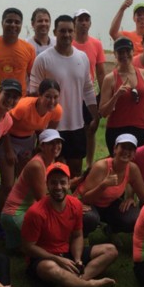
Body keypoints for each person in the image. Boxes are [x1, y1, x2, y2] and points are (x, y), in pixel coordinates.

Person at [21, 162, 118, 287]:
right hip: (44, 258)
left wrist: (77, 259)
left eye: (62, 182)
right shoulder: (36, 212)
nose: (58, 187)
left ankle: (71, 282)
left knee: (111, 250)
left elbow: (78, 235)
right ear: (47, 185)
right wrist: (57, 259)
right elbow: (28, 247)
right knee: (50, 269)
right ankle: (89, 283)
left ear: (68, 184)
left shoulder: (76, 204)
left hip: (67, 253)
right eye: (53, 183)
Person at [29, 15, 98, 177]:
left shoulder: (82, 57)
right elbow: (33, 95)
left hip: (76, 125)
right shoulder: (43, 59)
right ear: (55, 32)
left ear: (74, 32)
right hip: (51, 125)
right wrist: (38, 125)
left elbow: (88, 89)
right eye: (62, 31)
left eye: (69, 31)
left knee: (74, 171)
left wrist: (95, 115)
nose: (66, 35)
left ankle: (71, 202)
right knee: (53, 171)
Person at [0, 78, 62, 229]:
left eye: (55, 97)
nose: (52, 101)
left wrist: (39, 151)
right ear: (40, 95)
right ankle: (0, 221)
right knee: (7, 184)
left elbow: (48, 133)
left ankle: (25, 213)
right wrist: (8, 150)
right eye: (48, 97)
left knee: (25, 180)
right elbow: (5, 125)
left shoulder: (57, 111)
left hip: (28, 141)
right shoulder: (24, 107)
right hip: (9, 138)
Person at [1, 129, 63, 250]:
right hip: (15, 214)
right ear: (42, 146)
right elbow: (43, 199)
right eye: (52, 143)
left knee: (16, 249)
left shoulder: (50, 160)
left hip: (24, 211)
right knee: (52, 239)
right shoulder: (37, 165)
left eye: (58, 142)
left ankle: (16, 242)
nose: (56, 146)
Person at [77, 134, 144, 237]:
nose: (126, 151)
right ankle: (82, 237)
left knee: (134, 217)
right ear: (115, 149)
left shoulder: (133, 169)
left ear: (134, 154)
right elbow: (85, 198)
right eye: (123, 147)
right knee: (89, 218)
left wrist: (131, 199)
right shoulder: (101, 167)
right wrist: (103, 185)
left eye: (130, 149)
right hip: (89, 204)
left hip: (109, 205)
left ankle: (110, 230)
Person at [99, 37, 144, 153]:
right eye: (120, 52)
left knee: (138, 165)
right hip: (117, 129)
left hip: (140, 128)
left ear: (132, 52)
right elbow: (103, 112)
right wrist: (116, 95)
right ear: (115, 54)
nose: (124, 55)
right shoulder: (110, 79)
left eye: (127, 51)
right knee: (119, 165)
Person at [72, 8, 106, 168]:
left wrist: (103, 95)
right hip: (71, 94)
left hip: (89, 94)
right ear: (75, 23)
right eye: (80, 20)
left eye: (86, 20)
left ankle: (90, 163)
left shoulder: (96, 44)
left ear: (90, 23)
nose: (84, 23)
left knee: (91, 129)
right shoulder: (68, 41)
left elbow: (100, 71)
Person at [0, 7, 35, 94]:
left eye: (17, 22)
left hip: (20, 100)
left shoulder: (29, 49)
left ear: (21, 25)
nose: (13, 25)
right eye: (9, 21)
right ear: (2, 23)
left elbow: (32, 77)